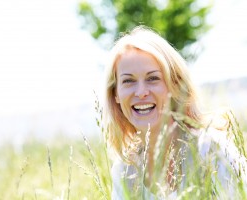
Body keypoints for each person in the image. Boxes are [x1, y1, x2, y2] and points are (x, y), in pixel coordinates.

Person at [102, 26, 247, 199]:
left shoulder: (210, 149)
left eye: (153, 78)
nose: (141, 92)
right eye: (128, 81)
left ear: (176, 85)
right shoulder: (125, 170)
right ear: (115, 94)